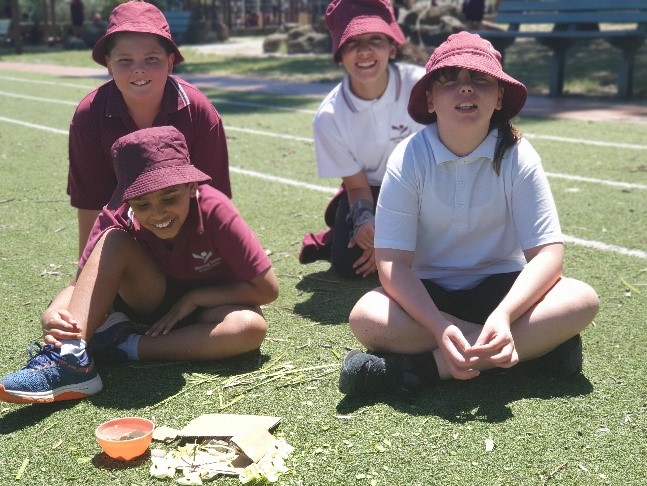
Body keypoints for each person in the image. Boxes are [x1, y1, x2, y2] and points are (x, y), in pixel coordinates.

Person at [339, 32, 599, 397]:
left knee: (582, 299)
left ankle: (421, 371)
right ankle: (533, 354)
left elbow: (547, 254)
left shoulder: (519, 154)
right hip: (428, 298)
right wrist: (440, 327)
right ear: (430, 99)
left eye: (480, 78)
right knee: (366, 316)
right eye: (449, 79)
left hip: (505, 292)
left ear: (499, 97)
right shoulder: (408, 158)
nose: (465, 88)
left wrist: (504, 316)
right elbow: (393, 263)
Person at [0, 126, 279, 404]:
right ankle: (71, 358)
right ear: (127, 198)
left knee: (250, 327)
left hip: (207, 311)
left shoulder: (215, 210)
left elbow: (267, 289)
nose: (157, 214)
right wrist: (55, 312)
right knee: (114, 240)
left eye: (169, 198)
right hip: (148, 303)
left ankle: (121, 345)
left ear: (191, 186)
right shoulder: (116, 215)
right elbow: (78, 284)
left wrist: (195, 299)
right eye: (142, 204)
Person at [68, 0, 231, 259]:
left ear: (170, 61)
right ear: (108, 64)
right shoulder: (89, 116)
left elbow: (214, 200)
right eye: (125, 60)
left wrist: (215, 264)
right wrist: (85, 269)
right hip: (126, 246)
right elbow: (91, 203)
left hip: (188, 243)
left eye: (152, 59)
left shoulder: (198, 111)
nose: (139, 69)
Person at [299, 0, 425, 278]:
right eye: (352, 42)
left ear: (392, 47)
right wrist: (365, 222)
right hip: (371, 190)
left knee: (431, 255)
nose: (364, 51)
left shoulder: (421, 87)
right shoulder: (329, 117)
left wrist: (395, 235)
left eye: (375, 39)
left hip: (425, 188)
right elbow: (356, 186)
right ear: (339, 54)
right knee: (349, 263)